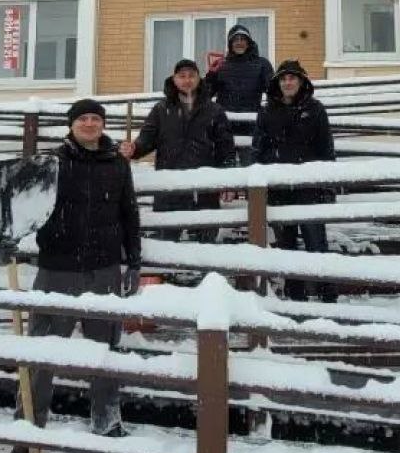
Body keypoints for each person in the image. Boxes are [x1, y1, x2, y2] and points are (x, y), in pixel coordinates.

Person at [4, 99, 140, 453]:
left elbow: (129, 212)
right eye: (83, 118)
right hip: (57, 269)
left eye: (96, 118)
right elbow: (24, 207)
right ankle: (27, 429)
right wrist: (9, 236)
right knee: (41, 354)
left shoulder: (117, 163)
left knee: (105, 350)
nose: (90, 124)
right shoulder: (52, 163)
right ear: (72, 124)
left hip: (103, 269)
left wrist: (134, 261)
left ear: (103, 124)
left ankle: (107, 420)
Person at [120, 58, 237, 243]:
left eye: (191, 75)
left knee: (206, 245)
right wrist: (134, 148)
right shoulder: (161, 110)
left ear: (199, 79)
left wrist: (229, 181)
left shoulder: (214, 110)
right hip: (169, 187)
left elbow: (226, 148)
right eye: (182, 76)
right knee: (167, 244)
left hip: (204, 189)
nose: (187, 80)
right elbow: (146, 140)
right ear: (174, 79)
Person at [252, 59, 337, 302]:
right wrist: (260, 181)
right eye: (283, 79)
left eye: (292, 78)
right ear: (277, 83)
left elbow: (326, 149)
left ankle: (327, 296)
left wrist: (328, 186)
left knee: (316, 243)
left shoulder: (315, 110)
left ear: (301, 82)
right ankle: (295, 298)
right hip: (279, 189)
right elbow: (258, 150)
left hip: (310, 187)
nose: (287, 83)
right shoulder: (267, 112)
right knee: (287, 246)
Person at [206, 24, 274, 165]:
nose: (239, 42)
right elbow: (206, 94)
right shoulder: (221, 64)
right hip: (224, 126)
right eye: (235, 39)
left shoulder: (262, 64)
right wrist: (211, 75)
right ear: (230, 44)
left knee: (249, 169)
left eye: (243, 39)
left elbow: (273, 92)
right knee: (224, 170)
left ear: (249, 42)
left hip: (251, 126)